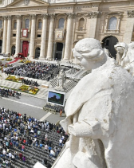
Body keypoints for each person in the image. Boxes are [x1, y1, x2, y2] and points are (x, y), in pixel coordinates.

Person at [53, 38, 134, 168]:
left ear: (93, 56)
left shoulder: (102, 80)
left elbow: (102, 119)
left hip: (93, 145)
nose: (79, 63)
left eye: (80, 59)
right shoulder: (121, 73)